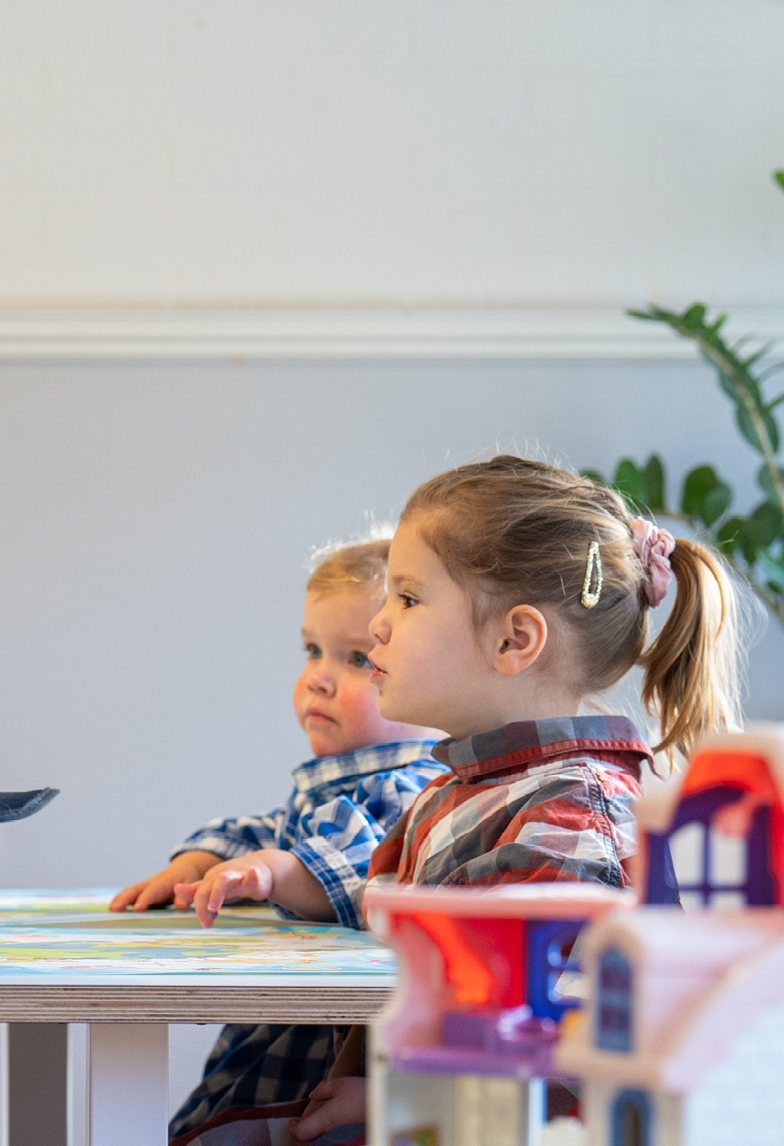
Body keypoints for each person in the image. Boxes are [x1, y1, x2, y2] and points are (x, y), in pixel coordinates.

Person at [288, 455, 743, 1140]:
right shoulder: (458, 791)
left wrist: (398, 1103)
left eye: (407, 599)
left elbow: (552, 1049)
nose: (379, 625)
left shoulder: (569, 817)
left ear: (514, 640)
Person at [104, 539, 445, 1146]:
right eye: (313, 650)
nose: (318, 677)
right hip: (281, 1044)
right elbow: (262, 830)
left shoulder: (413, 787)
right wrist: (198, 862)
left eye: (358, 659)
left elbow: (354, 870)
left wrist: (269, 872)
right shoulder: (335, 784)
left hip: (328, 1064)